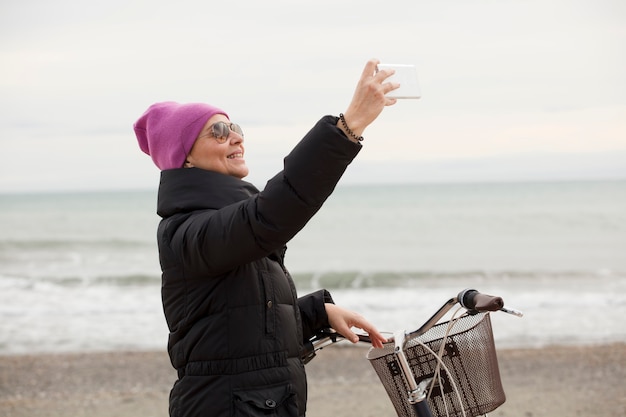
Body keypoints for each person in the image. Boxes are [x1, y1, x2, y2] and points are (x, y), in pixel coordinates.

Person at [133, 58, 399, 417]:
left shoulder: (234, 224)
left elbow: (241, 329)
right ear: (186, 159)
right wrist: (346, 128)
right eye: (218, 131)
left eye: (234, 127)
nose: (237, 137)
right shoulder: (187, 231)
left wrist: (318, 312)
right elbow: (272, 213)